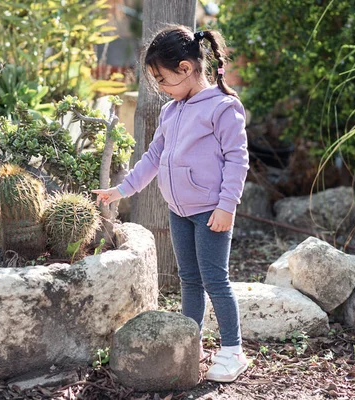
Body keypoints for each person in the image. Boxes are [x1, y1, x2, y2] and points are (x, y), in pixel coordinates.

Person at [92, 25, 250, 383]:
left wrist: (227, 206)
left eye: (162, 80)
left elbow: (238, 161)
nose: (161, 88)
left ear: (186, 68)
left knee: (215, 280)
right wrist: (123, 189)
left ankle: (233, 350)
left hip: (211, 211)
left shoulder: (223, 108)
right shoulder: (171, 111)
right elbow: (153, 156)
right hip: (179, 210)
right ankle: (189, 343)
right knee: (189, 279)